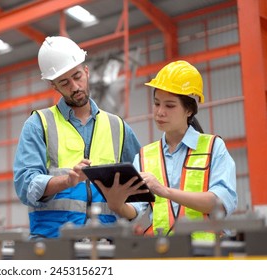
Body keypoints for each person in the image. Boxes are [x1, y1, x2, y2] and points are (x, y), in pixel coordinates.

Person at [13, 36, 144, 239]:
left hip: (106, 243)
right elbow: (26, 186)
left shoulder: (117, 127)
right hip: (52, 243)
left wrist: (133, 214)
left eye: (77, 76)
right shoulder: (39, 124)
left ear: (86, 71)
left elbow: (141, 185)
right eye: (64, 82)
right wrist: (66, 181)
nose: (74, 86)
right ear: (53, 85)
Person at [96, 60, 237, 241]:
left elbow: (219, 203)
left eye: (170, 106)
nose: (160, 112)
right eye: (156, 103)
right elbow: (136, 211)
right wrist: (117, 204)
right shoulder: (145, 157)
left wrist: (164, 191)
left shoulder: (213, 148)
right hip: (163, 254)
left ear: (189, 110)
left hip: (207, 254)